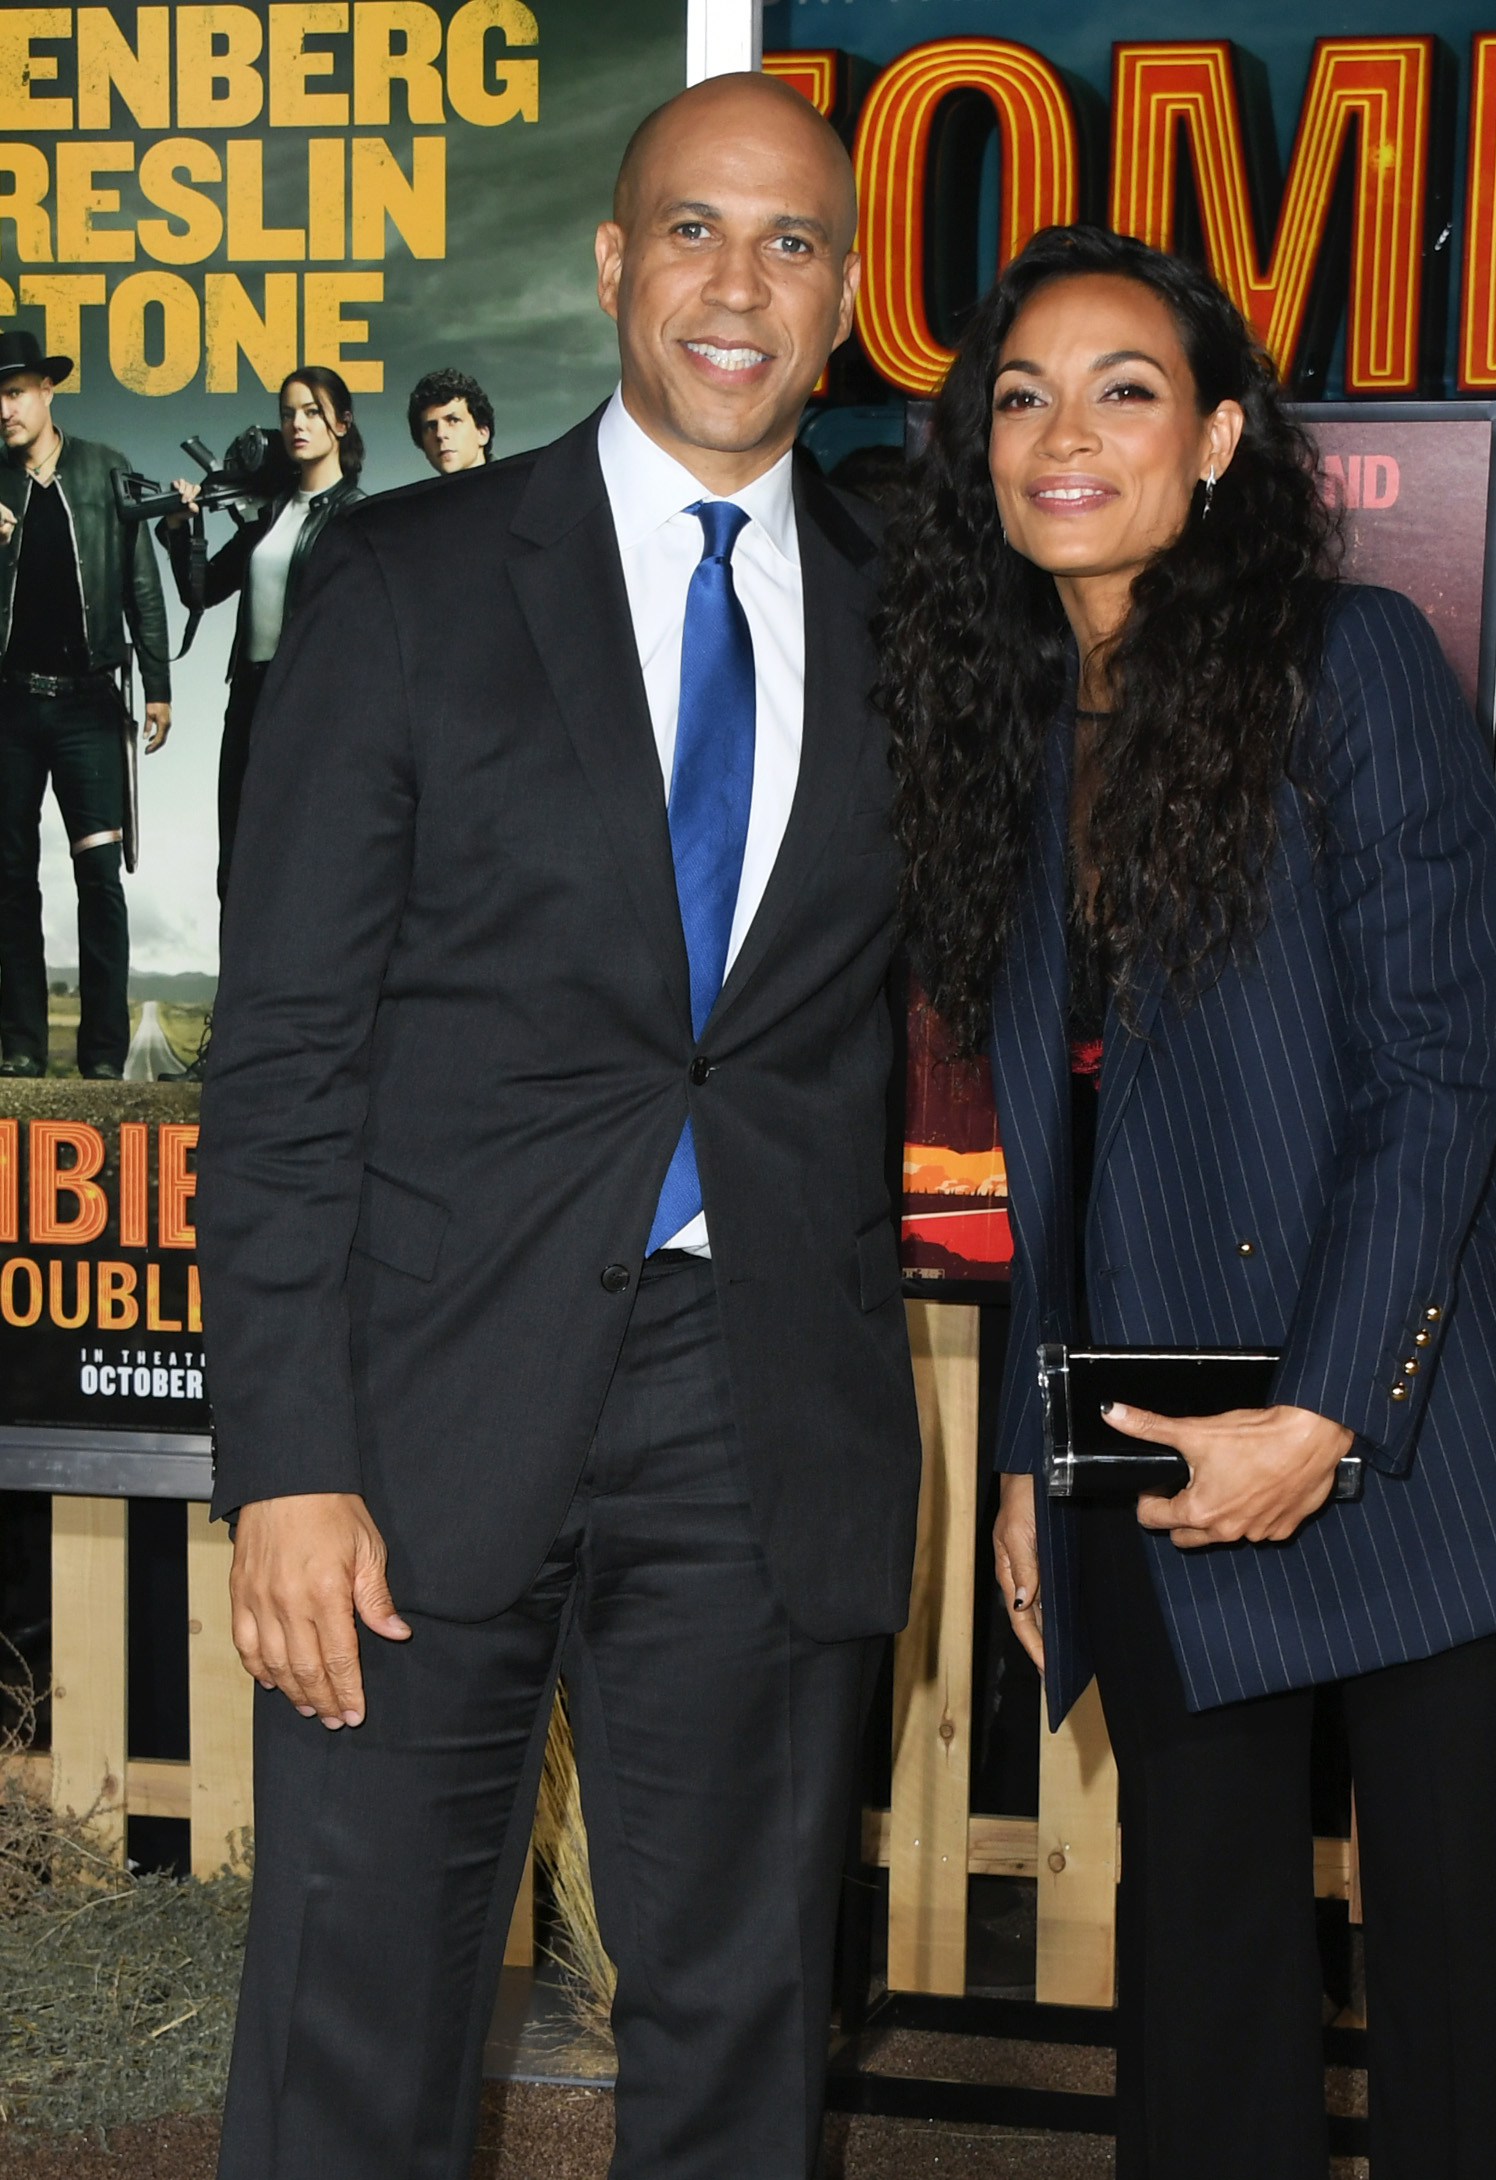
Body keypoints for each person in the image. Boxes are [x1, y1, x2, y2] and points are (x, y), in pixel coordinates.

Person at [200, 72, 918, 2180]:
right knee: (362, 2011)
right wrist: (293, 1457)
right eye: (695, 229)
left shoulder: (911, 614)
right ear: (613, 264)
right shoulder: (408, 581)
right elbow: (287, 1048)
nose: (739, 283)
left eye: (793, 244)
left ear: (848, 299)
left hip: (759, 1395)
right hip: (422, 1404)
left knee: (736, 2018)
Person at [880, 225, 1496, 2180]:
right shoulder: (1017, 717)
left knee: (1464, 1984)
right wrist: (1044, 1451)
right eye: (1022, 392)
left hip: (1411, 1422)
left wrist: (1323, 1409)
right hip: (1148, 1420)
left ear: (1216, 439)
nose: (1065, 431)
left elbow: (1441, 1069)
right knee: (1202, 1969)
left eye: (1125, 388)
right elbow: (1070, 1137)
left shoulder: (1348, 659)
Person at [0, 327, 172, 1079]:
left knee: (99, 879)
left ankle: (102, 1055)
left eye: (12, 393)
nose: (2, 410)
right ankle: (22, 1045)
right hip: (8, 707)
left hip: (90, 705)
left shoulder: (106, 469)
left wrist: (159, 684)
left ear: (46, 391)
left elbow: (141, 581)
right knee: (9, 878)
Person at [159, 365, 365, 903]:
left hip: (312, 704)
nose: (298, 423)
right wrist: (183, 529)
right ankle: (239, 989)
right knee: (238, 862)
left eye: (313, 412)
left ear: (342, 423)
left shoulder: (358, 518)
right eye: (288, 413)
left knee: (304, 856)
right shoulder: (268, 514)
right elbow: (201, 592)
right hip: (249, 698)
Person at [408, 366, 495, 473]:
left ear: (482, 433)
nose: (440, 434)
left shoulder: (518, 485)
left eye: (453, 420)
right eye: (431, 426)